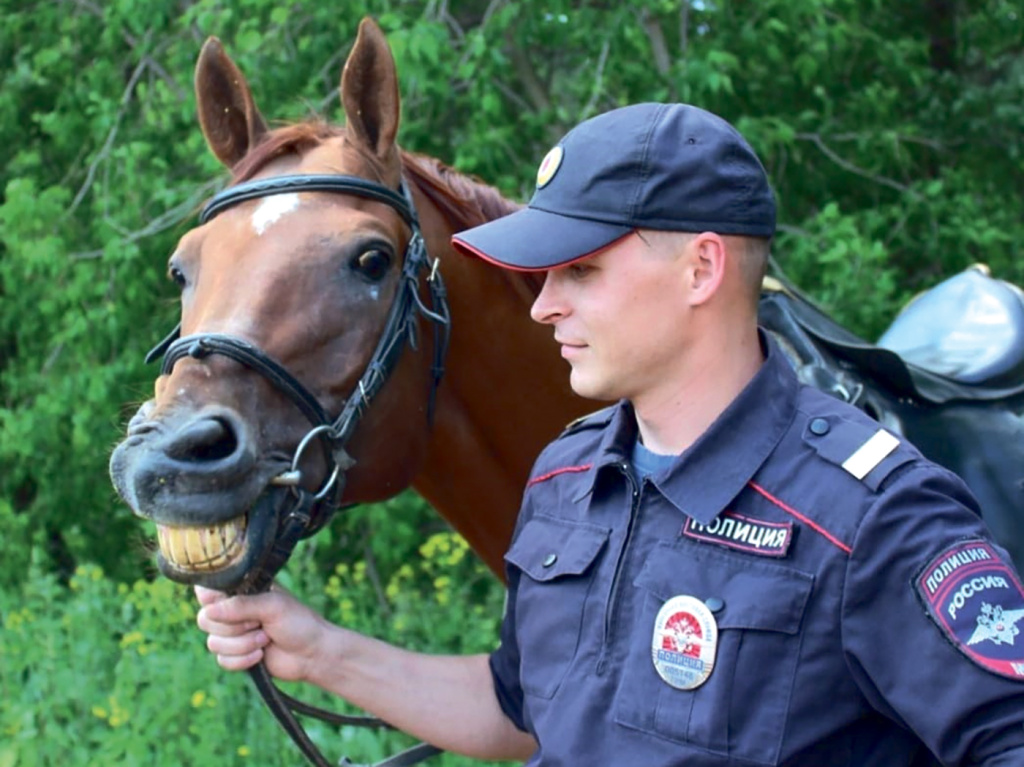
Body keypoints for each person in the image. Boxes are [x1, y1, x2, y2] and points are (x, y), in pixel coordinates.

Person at [195, 103, 1024, 765]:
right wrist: (316, 648)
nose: (547, 302)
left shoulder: (874, 515)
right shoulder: (567, 478)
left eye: (582, 270)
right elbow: (519, 706)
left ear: (701, 268)